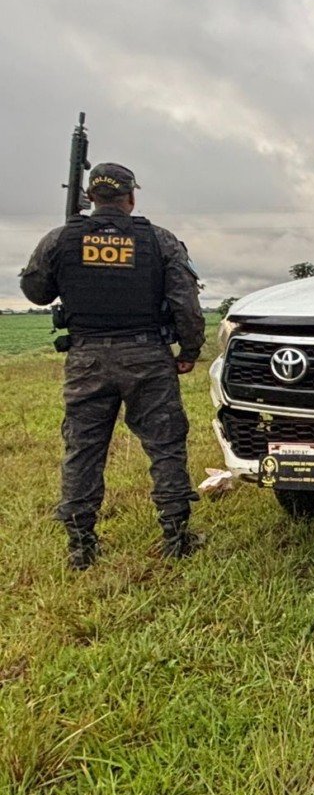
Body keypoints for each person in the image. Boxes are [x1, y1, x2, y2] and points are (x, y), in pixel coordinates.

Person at [19, 162, 207, 569]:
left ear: (91, 197)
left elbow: (34, 291)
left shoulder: (60, 239)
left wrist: (72, 250)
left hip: (87, 358)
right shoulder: (159, 241)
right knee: (166, 445)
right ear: (131, 197)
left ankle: (81, 546)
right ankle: (177, 534)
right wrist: (189, 351)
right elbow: (186, 303)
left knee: (83, 449)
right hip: (147, 356)